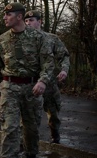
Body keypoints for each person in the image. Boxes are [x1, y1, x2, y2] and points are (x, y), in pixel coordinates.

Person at [0, 2, 54, 158]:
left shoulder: (38, 38)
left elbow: (48, 63)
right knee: (10, 127)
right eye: (5, 15)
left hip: (31, 89)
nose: (5, 17)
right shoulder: (2, 39)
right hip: (9, 88)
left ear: (19, 17)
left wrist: (42, 81)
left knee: (31, 128)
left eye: (8, 15)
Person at [25, 10, 70, 143]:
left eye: (31, 20)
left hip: (49, 83)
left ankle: (55, 137)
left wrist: (64, 70)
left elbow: (64, 56)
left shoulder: (51, 38)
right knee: (29, 114)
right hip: (30, 83)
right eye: (26, 21)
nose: (28, 23)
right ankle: (28, 142)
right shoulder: (22, 39)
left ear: (39, 21)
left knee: (53, 112)